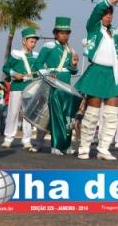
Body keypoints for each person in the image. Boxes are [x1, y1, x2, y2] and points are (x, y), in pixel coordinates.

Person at [76, 0, 118, 161]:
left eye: (110, 14)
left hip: (113, 74)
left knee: (112, 115)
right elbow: (98, 7)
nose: (108, 16)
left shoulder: (116, 33)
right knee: (92, 115)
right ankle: (84, 148)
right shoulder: (93, 27)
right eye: (105, 13)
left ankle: (103, 148)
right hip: (97, 72)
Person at [33, 16, 81, 156]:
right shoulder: (49, 46)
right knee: (54, 115)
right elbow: (38, 64)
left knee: (67, 116)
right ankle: (53, 145)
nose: (65, 35)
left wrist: (74, 64)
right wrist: (48, 74)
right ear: (55, 33)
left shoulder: (70, 50)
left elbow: (73, 71)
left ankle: (66, 145)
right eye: (61, 33)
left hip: (66, 86)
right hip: (52, 85)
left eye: (67, 33)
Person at [1, 27, 40, 150]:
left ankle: (27, 140)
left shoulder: (36, 56)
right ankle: (8, 138)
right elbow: (5, 68)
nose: (33, 44)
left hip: (30, 87)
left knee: (28, 114)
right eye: (31, 41)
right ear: (24, 41)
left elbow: (39, 71)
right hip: (17, 87)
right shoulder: (16, 54)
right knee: (13, 113)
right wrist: (14, 74)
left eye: (34, 42)